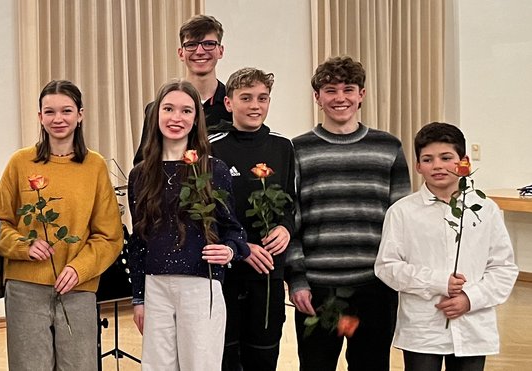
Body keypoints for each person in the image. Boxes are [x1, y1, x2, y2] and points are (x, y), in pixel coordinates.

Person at [285, 55, 412, 370]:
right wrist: (297, 279)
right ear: (317, 97)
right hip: (317, 288)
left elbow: (402, 222)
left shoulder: (389, 148)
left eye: (348, 89)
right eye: (330, 90)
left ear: (362, 94)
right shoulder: (296, 150)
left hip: (375, 285)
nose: (340, 98)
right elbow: (290, 221)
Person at [0, 80, 123, 370]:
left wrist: (80, 269)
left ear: (80, 115)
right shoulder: (20, 162)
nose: (58, 119)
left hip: (78, 289)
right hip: (25, 287)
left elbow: (109, 236)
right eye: (49, 112)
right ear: (40, 117)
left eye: (66, 111)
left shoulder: (95, 166)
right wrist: (23, 246)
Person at [375, 122, 518, 371]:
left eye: (446, 157)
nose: (438, 166)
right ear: (418, 166)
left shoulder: (485, 209)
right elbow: (387, 267)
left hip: (473, 324)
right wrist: (438, 282)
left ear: (463, 162)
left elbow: (504, 268)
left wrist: (470, 298)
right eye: (428, 159)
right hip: (422, 329)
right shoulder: (402, 212)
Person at [127, 80, 246, 370]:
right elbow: (139, 241)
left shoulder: (213, 170)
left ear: (195, 120)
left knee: (200, 365)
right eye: (168, 109)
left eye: (185, 111)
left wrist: (230, 250)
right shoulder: (140, 175)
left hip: (200, 284)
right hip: (156, 286)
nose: (176, 118)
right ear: (156, 115)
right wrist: (139, 297)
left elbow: (234, 231)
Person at [209, 67, 296, 371]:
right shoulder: (211, 146)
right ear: (229, 102)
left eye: (262, 98)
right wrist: (241, 248)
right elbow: (205, 213)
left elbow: (290, 201)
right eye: (246, 98)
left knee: (263, 356)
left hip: (268, 272)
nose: (255, 105)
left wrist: (286, 227)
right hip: (226, 270)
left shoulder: (283, 147)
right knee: (226, 357)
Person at [134, 15, 230, 164]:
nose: (200, 51)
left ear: (221, 51)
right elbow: (144, 164)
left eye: (209, 44)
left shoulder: (233, 106)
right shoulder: (157, 109)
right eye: (191, 45)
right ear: (181, 53)